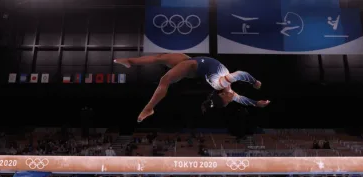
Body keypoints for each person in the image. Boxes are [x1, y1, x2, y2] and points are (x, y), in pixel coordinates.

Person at [114, 54, 270, 122]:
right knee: (159, 58)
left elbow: (240, 74)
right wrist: (257, 102)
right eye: (230, 100)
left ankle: (149, 108)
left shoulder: (221, 83)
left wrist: (253, 82)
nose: (232, 99)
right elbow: (242, 96)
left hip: (192, 67)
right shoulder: (227, 89)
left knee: (165, 79)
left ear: (221, 96)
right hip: (192, 61)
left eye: (229, 101)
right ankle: (130, 61)